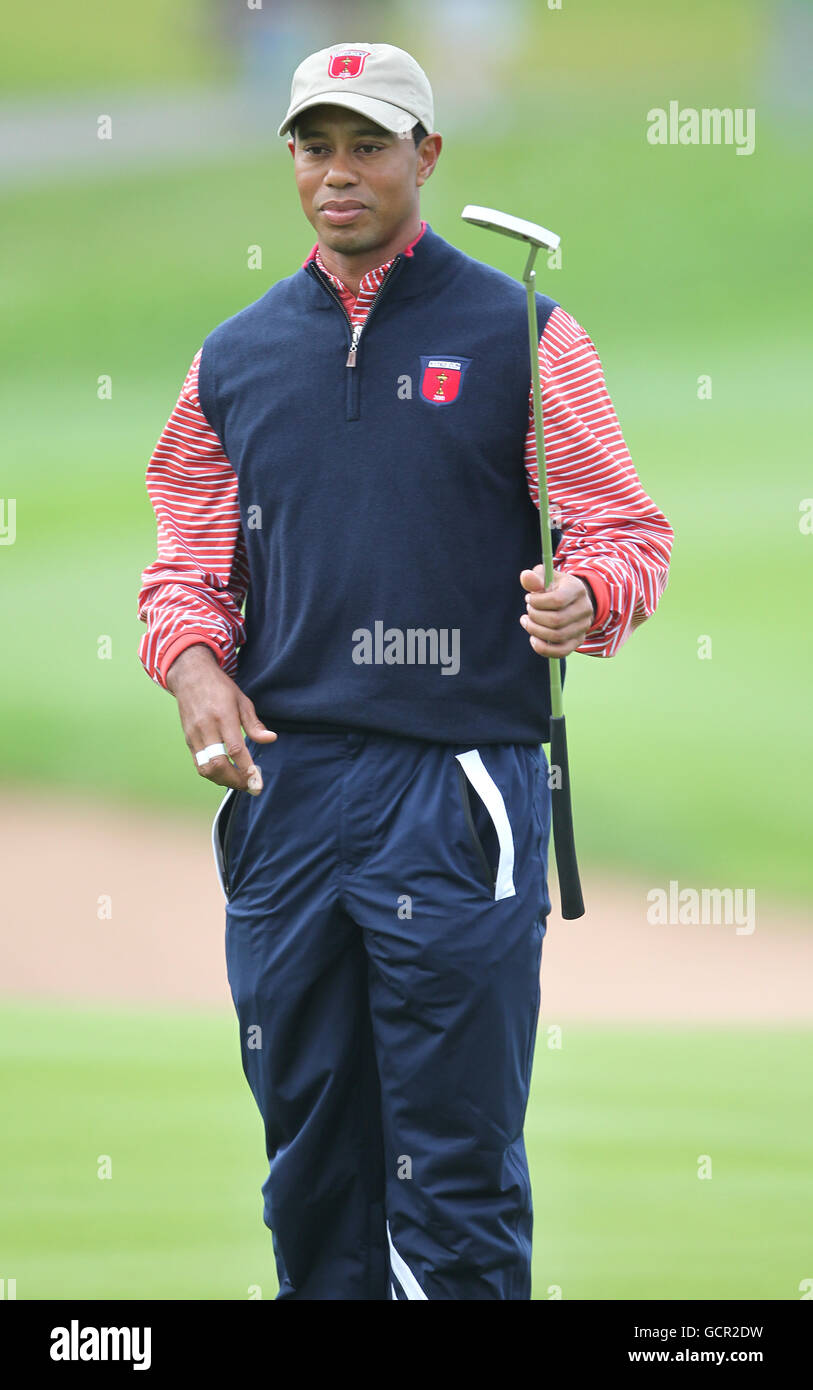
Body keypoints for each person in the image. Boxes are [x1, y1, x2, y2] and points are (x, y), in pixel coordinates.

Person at [136, 41, 673, 1301]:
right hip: (291, 792)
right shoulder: (234, 358)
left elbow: (624, 534)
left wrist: (582, 594)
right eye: (316, 146)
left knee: (453, 1152)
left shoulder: (525, 332)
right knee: (311, 1141)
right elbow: (185, 566)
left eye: (369, 145)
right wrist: (195, 668)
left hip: (459, 787)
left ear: (426, 156)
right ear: (291, 161)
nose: (339, 172)